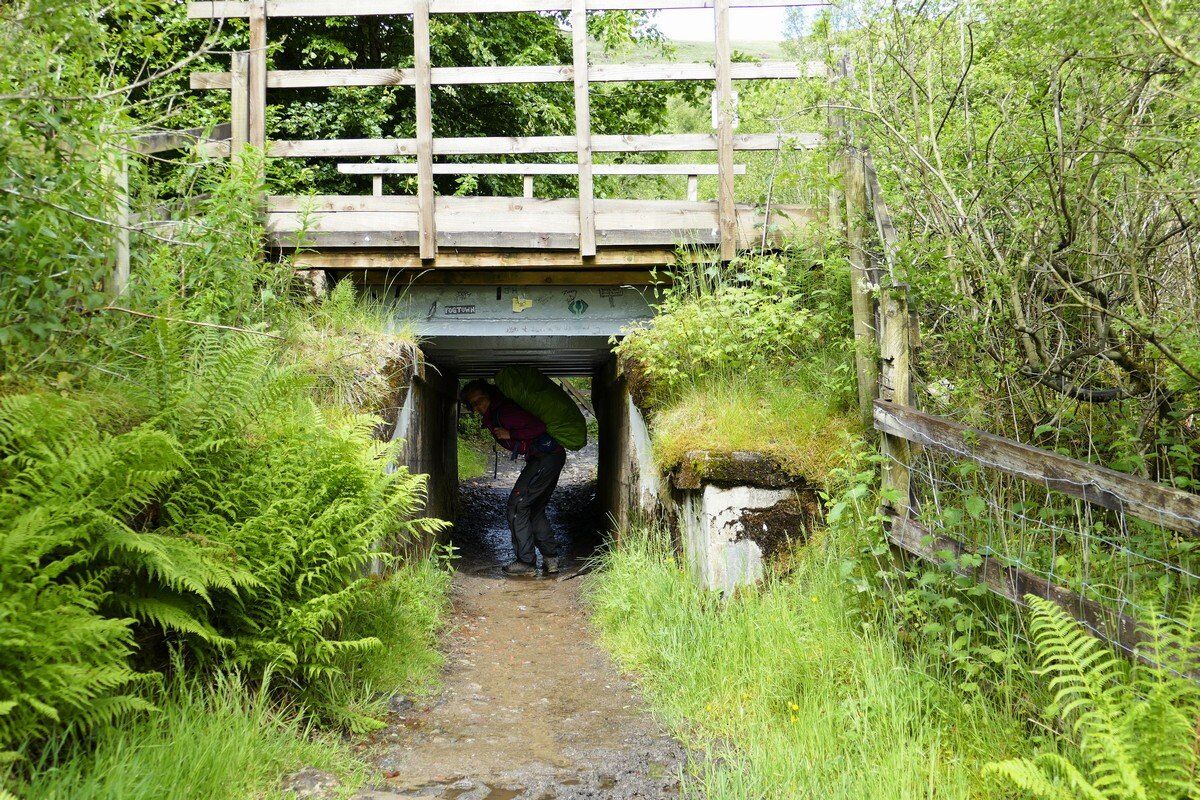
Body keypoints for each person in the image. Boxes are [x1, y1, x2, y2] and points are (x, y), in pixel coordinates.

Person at [461, 378, 566, 576]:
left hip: (545, 458)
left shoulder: (506, 411)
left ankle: (526, 563)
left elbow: (538, 427)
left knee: (517, 506)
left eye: (480, 400)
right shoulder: (496, 413)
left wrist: (511, 433)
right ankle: (551, 560)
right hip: (548, 457)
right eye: (473, 404)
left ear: (489, 396)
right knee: (533, 508)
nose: (478, 406)